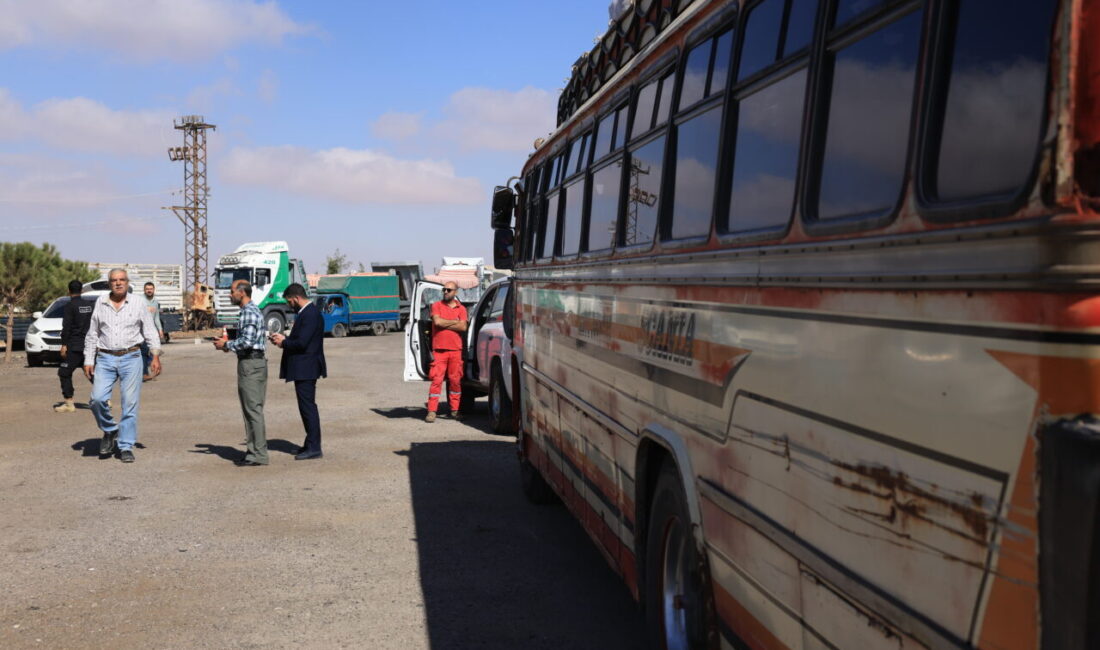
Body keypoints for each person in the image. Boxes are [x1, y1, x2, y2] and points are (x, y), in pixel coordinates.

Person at [83, 269, 162, 463]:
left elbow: (149, 330)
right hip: (105, 358)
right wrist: (88, 360)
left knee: (130, 403)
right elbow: (93, 334)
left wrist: (155, 355)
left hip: (132, 357)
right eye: (114, 280)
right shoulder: (100, 303)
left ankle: (125, 446)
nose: (118, 283)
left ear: (128, 282)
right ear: (109, 283)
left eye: (122, 280)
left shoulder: (137, 303)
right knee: (97, 399)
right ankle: (110, 430)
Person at [213, 279, 268, 466]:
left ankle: (258, 455)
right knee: (251, 410)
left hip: (251, 364)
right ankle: (253, 451)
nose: (230, 294)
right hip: (252, 363)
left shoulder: (249, 313)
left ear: (242, 293)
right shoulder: (249, 311)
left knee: (253, 410)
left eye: (232, 291)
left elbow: (247, 342)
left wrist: (225, 345)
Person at [270, 283, 326, 460]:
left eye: (289, 301)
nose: (289, 305)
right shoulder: (306, 313)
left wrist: (284, 342)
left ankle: (314, 447)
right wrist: (283, 340)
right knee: (305, 407)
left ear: (295, 298)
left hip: (307, 368)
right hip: (304, 368)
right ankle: (310, 444)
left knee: (308, 407)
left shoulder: (310, 314)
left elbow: (302, 343)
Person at [425, 281, 468, 423]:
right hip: (439, 351)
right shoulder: (436, 306)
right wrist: (455, 322)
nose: (445, 292)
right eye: (444, 289)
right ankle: (432, 411)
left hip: (456, 350)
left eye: (449, 290)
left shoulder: (461, 308)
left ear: (456, 292)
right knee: (436, 381)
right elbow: (437, 322)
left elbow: (463, 327)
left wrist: (447, 323)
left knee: (455, 381)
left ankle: (454, 411)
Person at [54, 280, 95, 413]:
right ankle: (105, 400)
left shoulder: (69, 306)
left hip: (74, 346)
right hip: (89, 345)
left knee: (64, 372)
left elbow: (66, 328)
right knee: (90, 372)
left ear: (69, 291)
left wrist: (64, 344)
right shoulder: (90, 306)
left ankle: (69, 403)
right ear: (82, 290)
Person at [140, 282, 163, 381]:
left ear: (154, 290)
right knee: (144, 351)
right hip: (141, 330)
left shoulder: (155, 302)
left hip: (151, 330)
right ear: (144, 290)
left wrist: (160, 330)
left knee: (152, 351)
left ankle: (146, 370)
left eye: (151, 289)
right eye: (147, 289)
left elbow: (156, 317)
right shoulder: (140, 301)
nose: (149, 290)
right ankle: (144, 373)